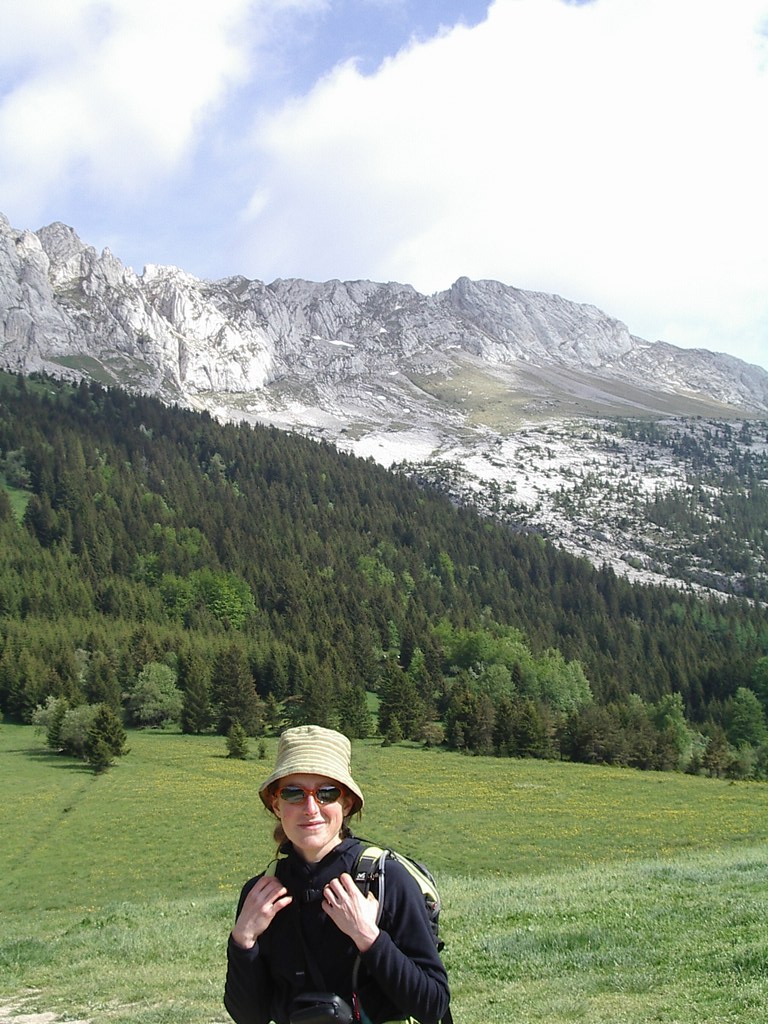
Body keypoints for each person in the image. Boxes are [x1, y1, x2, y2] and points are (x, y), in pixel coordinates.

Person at [224, 724, 451, 1024]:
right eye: (293, 793)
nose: (310, 808)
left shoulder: (386, 881)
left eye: (327, 793)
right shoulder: (262, 893)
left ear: (346, 803)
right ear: (276, 805)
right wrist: (243, 940)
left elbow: (433, 1005)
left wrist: (367, 936)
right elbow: (249, 1017)